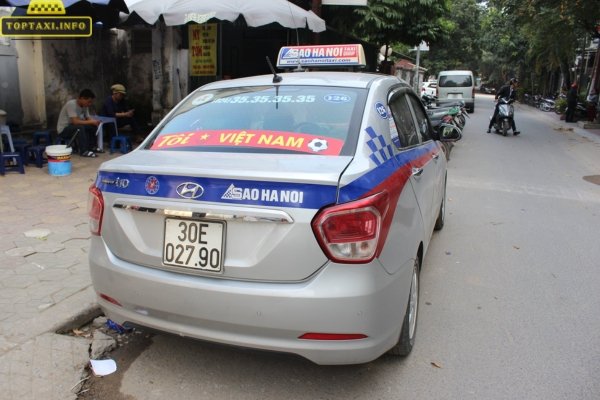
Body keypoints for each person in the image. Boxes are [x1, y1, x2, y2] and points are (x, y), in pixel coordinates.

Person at [56, 89, 102, 157]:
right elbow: (75, 121)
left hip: (73, 127)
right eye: (88, 102)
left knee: (92, 126)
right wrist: (91, 121)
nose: (90, 104)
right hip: (64, 130)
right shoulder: (71, 104)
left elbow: (88, 118)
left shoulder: (85, 106)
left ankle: (92, 147)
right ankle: (84, 151)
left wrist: (94, 122)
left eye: (91, 102)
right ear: (82, 98)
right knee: (80, 127)